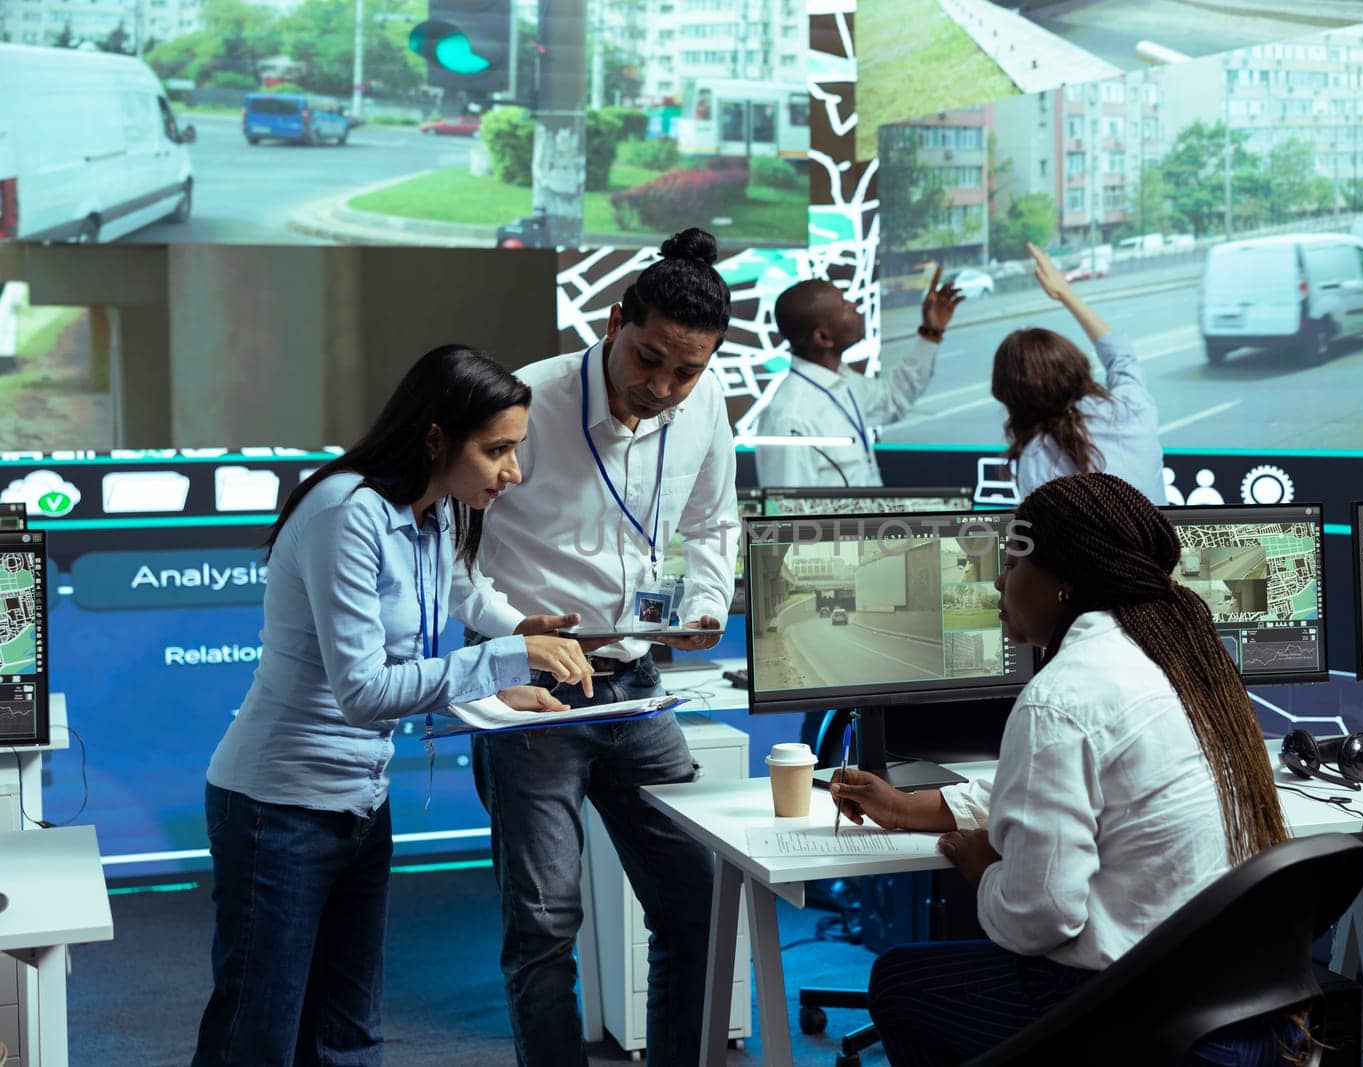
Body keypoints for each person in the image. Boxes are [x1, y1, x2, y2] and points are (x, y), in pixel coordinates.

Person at [192, 345, 595, 1067]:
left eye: (516, 449)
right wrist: (505, 657)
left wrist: (497, 678)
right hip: (276, 807)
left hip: (359, 803)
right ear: (436, 437)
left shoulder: (434, 514)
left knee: (349, 1037)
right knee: (256, 1039)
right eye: (498, 450)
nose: (515, 471)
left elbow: (421, 650)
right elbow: (364, 690)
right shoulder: (345, 512)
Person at [830, 472, 1299, 1066]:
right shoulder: (1184, 658)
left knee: (900, 984)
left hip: (1142, 1017)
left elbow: (1040, 918)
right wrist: (907, 807)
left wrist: (984, 871)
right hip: (1244, 1010)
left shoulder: (1062, 695)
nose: (998, 581)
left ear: (1062, 581)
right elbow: (1078, 775)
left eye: (1012, 564)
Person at [450, 228, 739, 1066]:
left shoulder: (705, 400)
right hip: (531, 698)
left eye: (685, 371)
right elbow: (454, 558)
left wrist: (709, 599)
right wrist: (515, 637)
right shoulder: (525, 403)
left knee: (695, 902)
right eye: (649, 359)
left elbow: (713, 518)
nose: (663, 387)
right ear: (615, 321)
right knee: (543, 926)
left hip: (638, 685)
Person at [754, 270, 963, 487]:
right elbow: (786, 510)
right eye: (844, 304)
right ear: (822, 337)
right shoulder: (790, 416)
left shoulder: (844, 381)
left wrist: (931, 333)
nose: (854, 305)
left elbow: (894, 397)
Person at [992, 243, 1165, 504]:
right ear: (1077, 366)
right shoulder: (1133, 408)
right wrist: (1065, 293)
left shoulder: (1036, 460)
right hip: (1163, 546)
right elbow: (1121, 355)